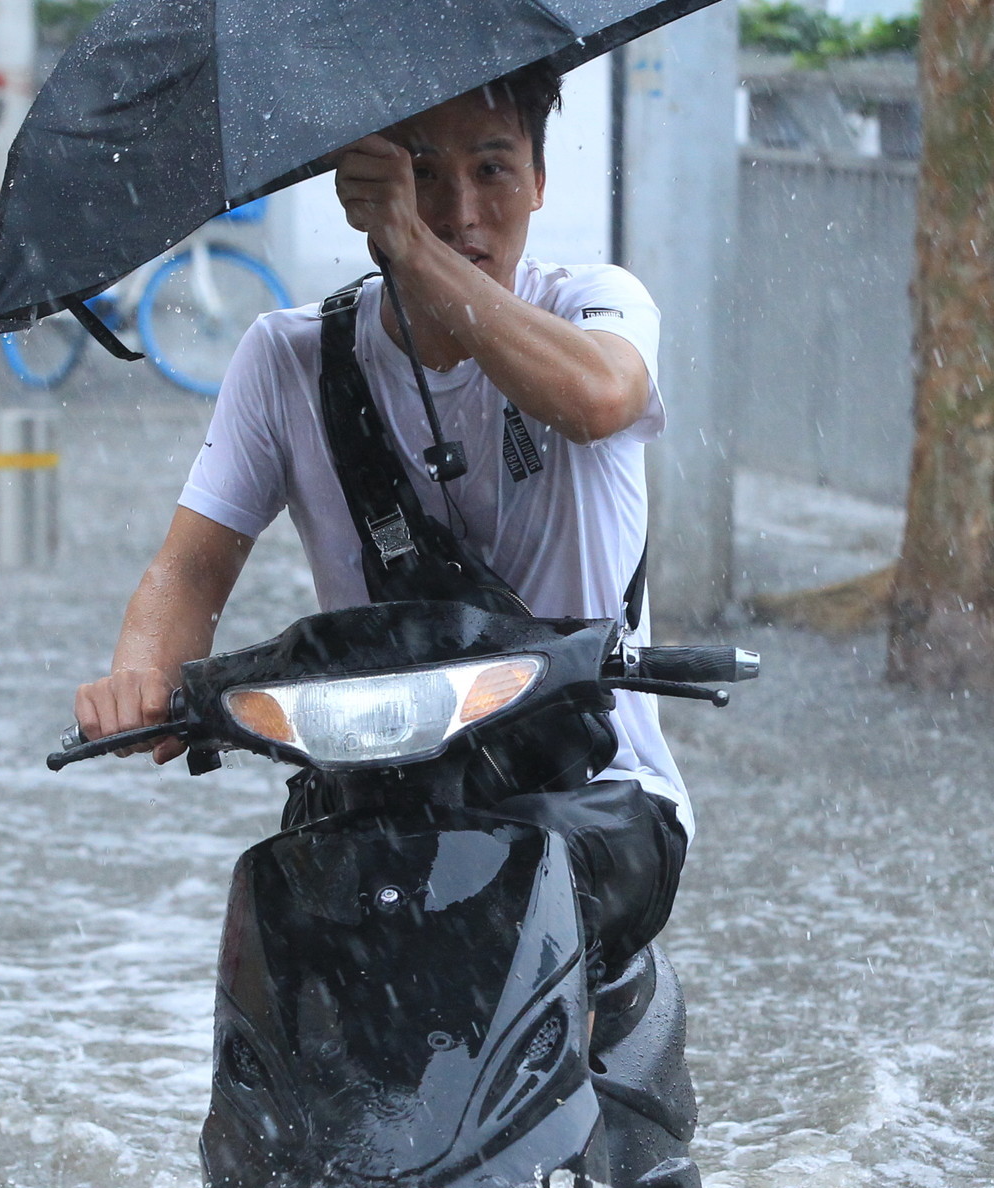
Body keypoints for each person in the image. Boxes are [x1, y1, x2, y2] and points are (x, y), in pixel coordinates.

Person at [72, 57, 689, 996]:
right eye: (421, 173)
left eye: (491, 169)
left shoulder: (592, 308)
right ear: (361, 185)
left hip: (595, 794)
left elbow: (600, 397)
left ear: (538, 182)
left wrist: (412, 246)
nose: (461, 209)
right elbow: (190, 570)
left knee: (509, 900)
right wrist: (142, 677)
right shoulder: (288, 359)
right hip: (372, 802)